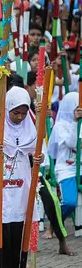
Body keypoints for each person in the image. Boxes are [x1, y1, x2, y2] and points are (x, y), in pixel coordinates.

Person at [0, 87, 41, 268]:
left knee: (17, 238)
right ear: (7, 108)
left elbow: (38, 150)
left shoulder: (31, 127)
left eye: (22, 112)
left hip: (20, 191)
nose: (19, 117)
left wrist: (38, 158)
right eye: (15, 113)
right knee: (1, 238)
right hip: (1, 190)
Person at [47, 91, 82, 254]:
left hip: (80, 167)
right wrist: (75, 122)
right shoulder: (60, 125)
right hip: (67, 169)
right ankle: (54, 224)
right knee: (69, 202)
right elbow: (72, 143)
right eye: (76, 108)